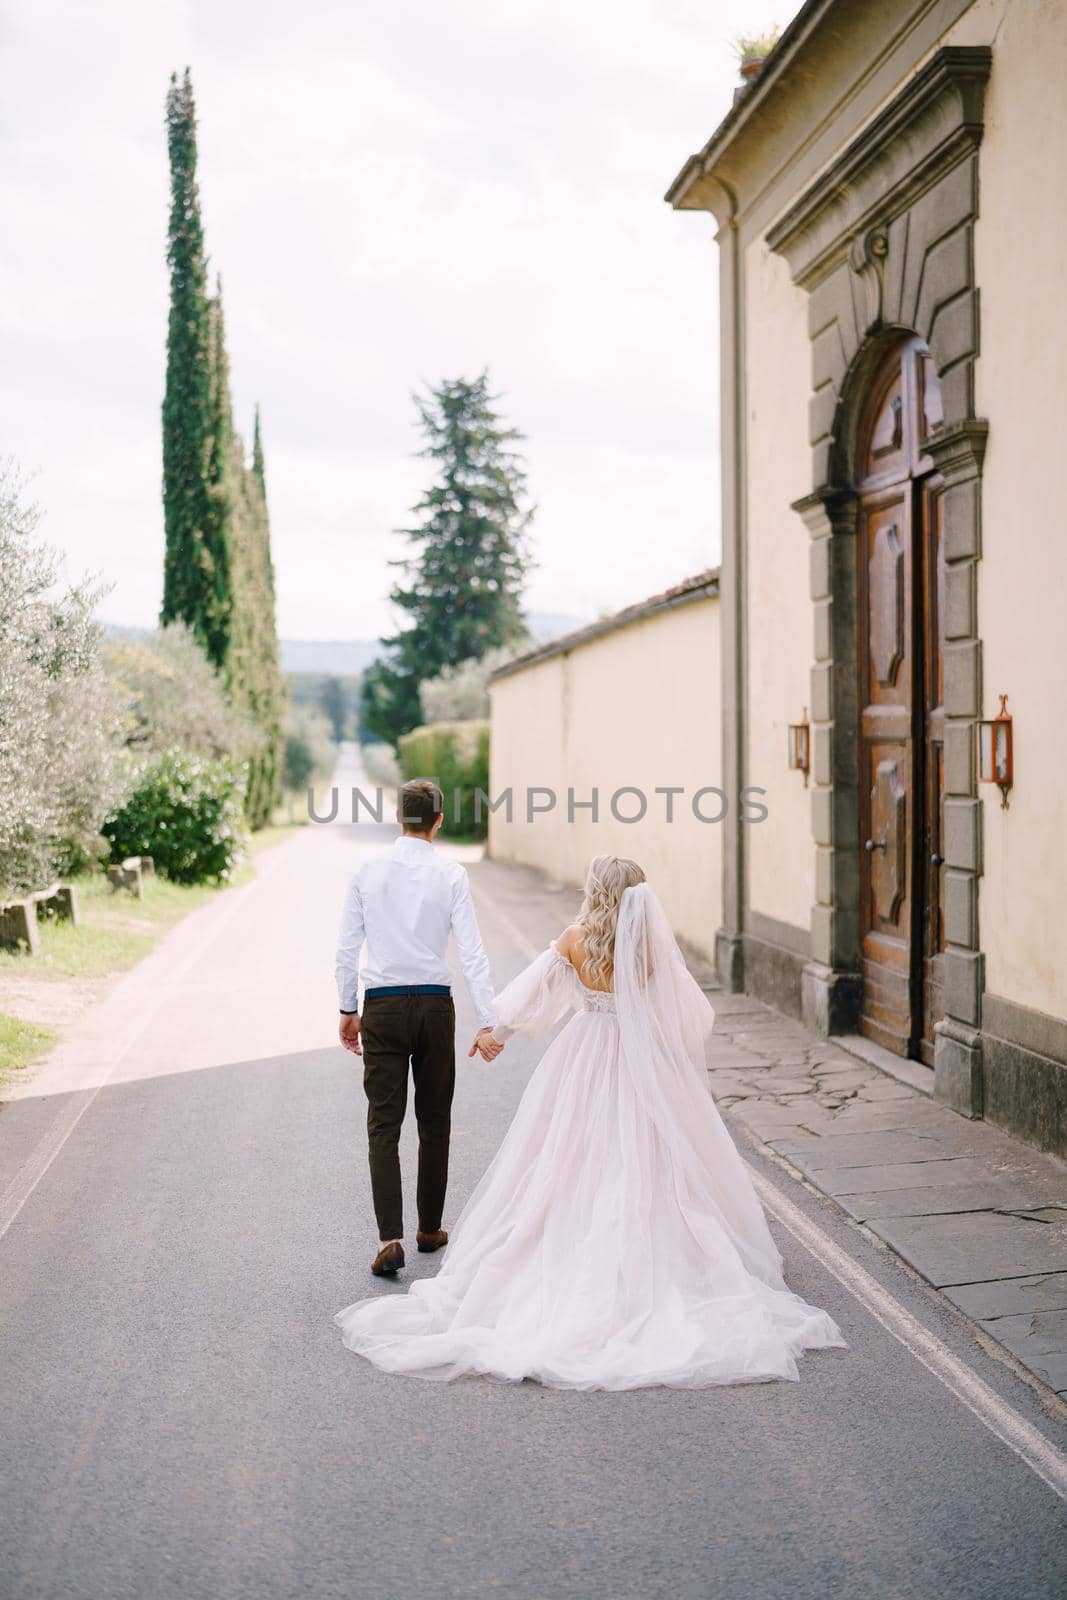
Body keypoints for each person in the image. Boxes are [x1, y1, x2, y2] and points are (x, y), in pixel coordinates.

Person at [335, 853, 847, 1390]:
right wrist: (666, 1050)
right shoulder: (651, 946)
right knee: (650, 1153)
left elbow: (535, 993)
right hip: (639, 1058)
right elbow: (692, 1012)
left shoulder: (576, 939)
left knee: (563, 1156)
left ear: (595, 891)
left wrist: (495, 1035)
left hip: (583, 1054)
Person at [334, 778, 502, 1279]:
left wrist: (347, 1009)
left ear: (399, 818)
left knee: (383, 1125)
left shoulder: (366, 869)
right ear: (438, 821)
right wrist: (488, 1019)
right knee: (434, 1120)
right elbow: (471, 952)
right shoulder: (451, 874)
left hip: (381, 1007)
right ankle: (430, 1228)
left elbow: (346, 948)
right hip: (434, 1008)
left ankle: (390, 1238)